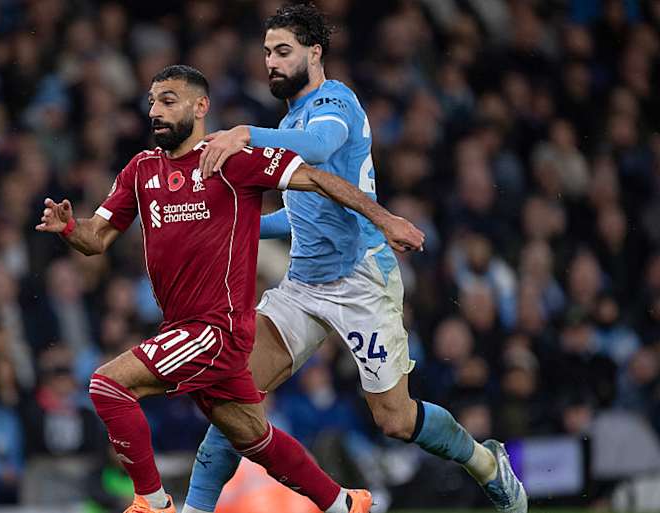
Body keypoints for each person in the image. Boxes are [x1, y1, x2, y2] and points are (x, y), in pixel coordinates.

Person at [36, 64, 424, 513]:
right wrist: (69, 228)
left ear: (200, 106)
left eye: (168, 100)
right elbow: (97, 238)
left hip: (216, 329)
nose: (155, 111)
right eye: (151, 102)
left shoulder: (231, 161)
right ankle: (343, 503)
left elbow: (316, 178)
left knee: (108, 386)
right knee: (255, 439)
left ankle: (152, 503)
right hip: (183, 327)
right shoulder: (140, 171)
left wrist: (384, 218)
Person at [187, 4, 527, 513]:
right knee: (233, 398)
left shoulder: (334, 102)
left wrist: (244, 134)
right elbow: (299, 217)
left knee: (394, 419)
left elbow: (321, 148)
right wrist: (231, 227)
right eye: (266, 53)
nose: (272, 63)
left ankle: (485, 463)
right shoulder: (292, 117)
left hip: (361, 280)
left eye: (283, 51)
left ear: (315, 52)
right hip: (303, 286)